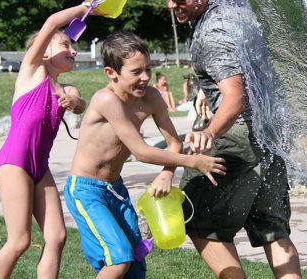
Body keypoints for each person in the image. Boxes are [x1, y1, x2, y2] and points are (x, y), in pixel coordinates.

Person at [63, 31, 226, 279]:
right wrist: (193, 161)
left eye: (148, 69)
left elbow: (173, 142)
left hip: (115, 189)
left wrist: (167, 174)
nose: (145, 77)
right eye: (136, 72)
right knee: (119, 258)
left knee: (136, 262)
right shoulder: (106, 100)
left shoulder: (151, 97)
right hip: (86, 190)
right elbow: (141, 151)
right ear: (111, 73)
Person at [167, 1, 302, 278]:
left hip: (237, 135)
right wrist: (208, 89)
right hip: (269, 133)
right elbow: (245, 73)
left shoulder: (213, 33)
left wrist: (209, 131)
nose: (171, 4)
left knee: (195, 219)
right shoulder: (236, 12)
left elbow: (235, 96)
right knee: (272, 228)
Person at [0, 5, 88, 278]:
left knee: (57, 236)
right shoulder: (32, 73)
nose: (73, 51)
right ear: (44, 52)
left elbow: (80, 105)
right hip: (15, 163)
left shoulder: (67, 89)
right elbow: (49, 24)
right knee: (20, 240)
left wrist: (74, 102)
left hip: (39, 167)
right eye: (66, 45)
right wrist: (86, 8)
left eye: (73, 47)